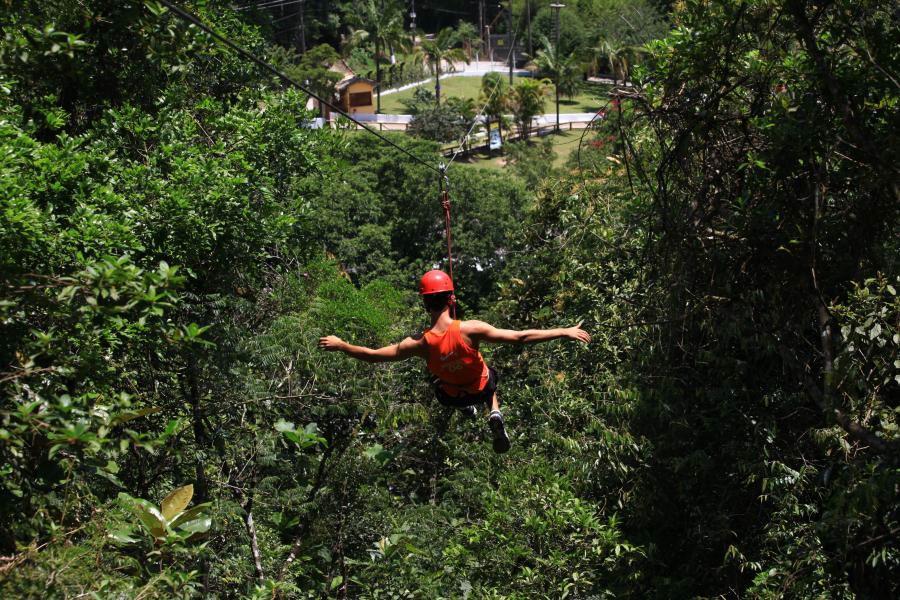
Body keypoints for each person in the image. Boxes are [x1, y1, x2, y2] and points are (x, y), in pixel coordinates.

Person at [318, 270, 591, 453]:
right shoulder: (470, 329)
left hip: (450, 396)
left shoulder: (419, 343)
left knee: (438, 379)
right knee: (487, 373)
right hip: (480, 388)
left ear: (425, 304)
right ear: (451, 299)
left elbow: (373, 356)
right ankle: (493, 411)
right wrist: (563, 331)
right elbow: (520, 337)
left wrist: (342, 345)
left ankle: (468, 409)